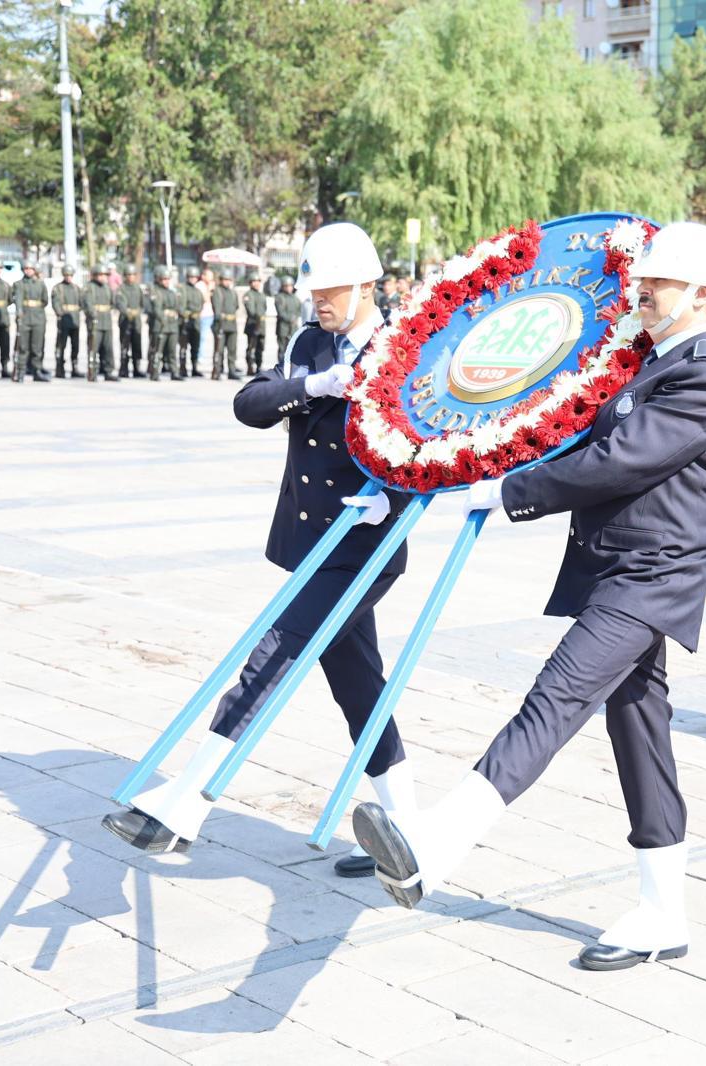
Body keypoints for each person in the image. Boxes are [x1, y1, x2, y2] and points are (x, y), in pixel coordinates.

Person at [351, 221, 706, 973]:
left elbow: (620, 462)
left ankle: (435, 847)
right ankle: (664, 910)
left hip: (650, 578)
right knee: (641, 735)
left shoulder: (705, 376)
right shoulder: (650, 362)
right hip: (617, 570)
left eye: (661, 281)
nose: (646, 289)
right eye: (648, 278)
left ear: (702, 292)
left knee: (553, 700)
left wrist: (508, 492)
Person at [103, 222, 415, 863]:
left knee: (269, 657)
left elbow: (428, 441)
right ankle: (410, 829)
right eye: (313, 289)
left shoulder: (401, 348)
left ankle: (185, 803)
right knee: (359, 686)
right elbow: (250, 402)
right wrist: (313, 387)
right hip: (312, 540)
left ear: (364, 285)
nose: (318, 300)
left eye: (329, 289)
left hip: (361, 545)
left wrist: (396, 497)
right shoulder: (310, 342)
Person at [12, 263, 49, 382]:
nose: (28, 271)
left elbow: (45, 301)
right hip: (25, 317)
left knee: (37, 347)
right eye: (26, 268)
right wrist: (19, 312)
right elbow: (18, 299)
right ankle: (21, 371)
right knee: (23, 346)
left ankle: (36, 371)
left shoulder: (40, 284)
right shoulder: (19, 284)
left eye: (30, 269)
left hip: (38, 317)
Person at [148, 266, 183, 379]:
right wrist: (163, 319)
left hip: (172, 325)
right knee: (158, 350)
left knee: (172, 351)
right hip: (161, 325)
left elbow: (177, 307)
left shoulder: (171, 292)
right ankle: (155, 372)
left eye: (168, 279)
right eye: (164, 279)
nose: (167, 281)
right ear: (158, 279)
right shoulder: (156, 292)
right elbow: (156, 309)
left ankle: (174, 372)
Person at [84, 264, 117, 381]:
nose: (103, 277)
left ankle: (108, 371)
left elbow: (113, 302)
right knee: (94, 347)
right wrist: (93, 315)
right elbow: (88, 304)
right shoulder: (90, 287)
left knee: (108, 348)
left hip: (106, 320)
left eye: (104, 275)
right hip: (95, 321)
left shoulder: (107, 288)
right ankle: (92, 372)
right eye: (100, 275)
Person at [52, 265, 84, 378]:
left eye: (70, 275)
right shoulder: (58, 288)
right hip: (64, 320)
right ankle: (59, 368)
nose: (68, 278)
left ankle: (75, 367)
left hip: (74, 320)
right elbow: (55, 303)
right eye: (66, 275)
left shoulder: (77, 288)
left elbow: (81, 303)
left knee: (75, 346)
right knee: (61, 345)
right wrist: (60, 313)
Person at [211, 273, 242, 380]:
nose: (227, 282)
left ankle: (231, 371)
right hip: (221, 324)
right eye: (225, 279)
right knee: (219, 350)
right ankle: (217, 371)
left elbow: (236, 306)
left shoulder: (233, 292)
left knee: (232, 349)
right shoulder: (217, 291)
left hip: (232, 324)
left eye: (229, 279)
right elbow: (217, 310)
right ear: (220, 280)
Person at [117, 269, 146, 378]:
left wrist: (138, 312)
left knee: (137, 345)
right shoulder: (122, 289)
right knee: (125, 345)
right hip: (125, 320)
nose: (131, 277)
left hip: (136, 321)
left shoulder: (138, 288)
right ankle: (123, 369)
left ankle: (136, 368)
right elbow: (120, 303)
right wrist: (127, 312)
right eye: (129, 274)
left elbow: (143, 304)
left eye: (133, 274)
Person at [181, 266, 205, 377]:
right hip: (186, 321)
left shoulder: (198, 291)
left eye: (195, 277)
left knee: (195, 347)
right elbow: (181, 306)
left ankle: (194, 368)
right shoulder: (183, 289)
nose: (193, 279)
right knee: (184, 347)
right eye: (191, 277)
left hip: (196, 322)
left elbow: (201, 304)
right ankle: (183, 368)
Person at [243, 274, 269, 375]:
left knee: (260, 347)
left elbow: (265, 308)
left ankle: (259, 366)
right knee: (251, 347)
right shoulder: (248, 295)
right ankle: (250, 367)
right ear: (250, 283)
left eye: (258, 281)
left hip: (261, 324)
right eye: (254, 281)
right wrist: (257, 316)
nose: (256, 283)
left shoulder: (262, 295)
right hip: (252, 324)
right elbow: (251, 310)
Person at [274, 275, 303, 363]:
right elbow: (280, 312)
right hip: (283, 327)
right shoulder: (279, 297)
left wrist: (295, 317)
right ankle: (281, 368)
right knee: (282, 349)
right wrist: (290, 318)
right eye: (286, 286)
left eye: (290, 285)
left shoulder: (295, 298)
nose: (288, 288)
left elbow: (299, 309)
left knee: (293, 348)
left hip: (294, 327)